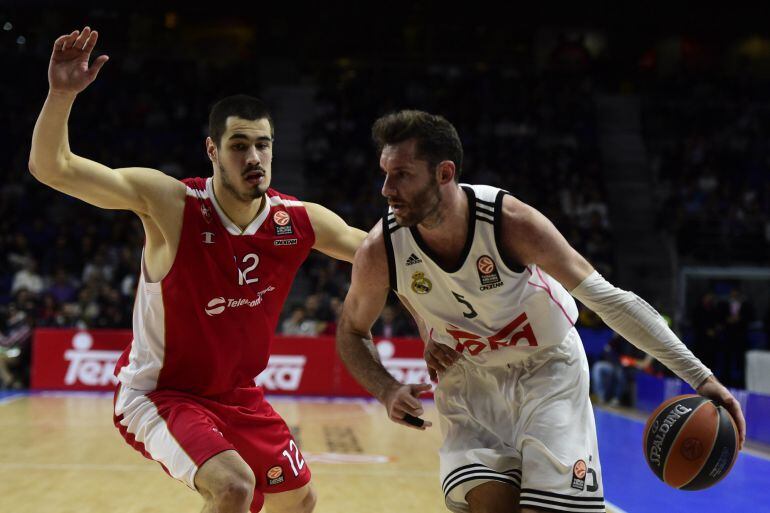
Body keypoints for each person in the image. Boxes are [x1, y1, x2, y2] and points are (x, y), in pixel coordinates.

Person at [335, 110, 746, 513]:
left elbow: (610, 301)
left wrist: (700, 376)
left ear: (444, 173)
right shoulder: (381, 248)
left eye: (402, 175)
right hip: (469, 379)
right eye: (385, 173)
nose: (386, 189)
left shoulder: (508, 222)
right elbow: (352, 329)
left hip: (547, 370)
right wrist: (387, 388)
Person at [29, 27, 366, 513]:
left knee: (299, 499)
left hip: (238, 395)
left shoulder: (299, 220)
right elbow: (53, 167)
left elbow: (372, 249)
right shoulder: (171, 203)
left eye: (263, 144)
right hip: (161, 393)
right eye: (239, 145)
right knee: (232, 487)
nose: (254, 157)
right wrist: (60, 95)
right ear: (212, 150)